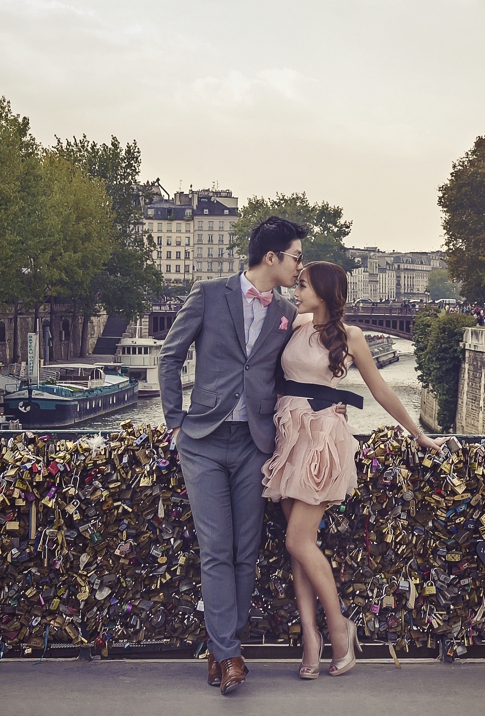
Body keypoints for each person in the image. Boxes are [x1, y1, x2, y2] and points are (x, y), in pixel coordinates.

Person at [267, 260, 439, 679]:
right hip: (289, 435)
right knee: (296, 547)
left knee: (298, 540)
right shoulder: (294, 324)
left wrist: (417, 433)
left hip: (322, 438)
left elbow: (380, 389)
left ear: (324, 291)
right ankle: (312, 634)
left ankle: (339, 628)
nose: (297, 289)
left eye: (303, 285)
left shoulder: (351, 336)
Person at [160, 215, 308, 696]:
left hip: (253, 443)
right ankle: (229, 654)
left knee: (247, 552)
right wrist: (174, 422)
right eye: (295, 257)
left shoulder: (286, 311)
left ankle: (224, 651)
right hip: (201, 441)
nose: (298, 266)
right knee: (216, 550)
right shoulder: (208, 293)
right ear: (272, 257)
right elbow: (170, 355)